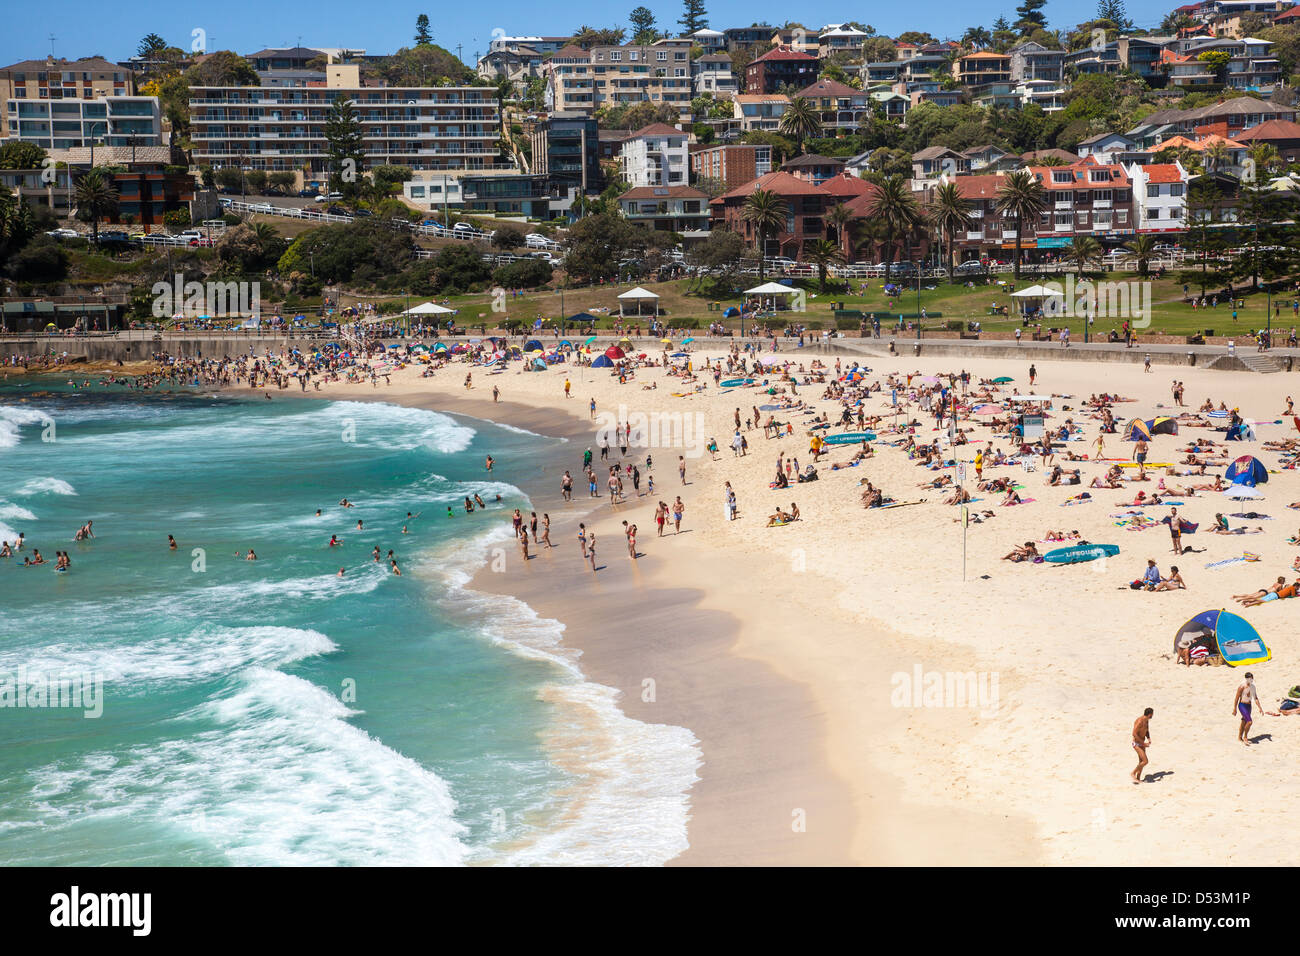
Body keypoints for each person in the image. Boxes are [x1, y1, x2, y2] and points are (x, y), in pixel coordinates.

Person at [1234, 673, 1263, 744]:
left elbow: (1255, 698)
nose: (1251, 680)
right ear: (1246, 679)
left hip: (1249, 706)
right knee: (1249, 722)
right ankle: (1245, 737)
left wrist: (1260, 708)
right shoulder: (1242, 687)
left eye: (1252, 678)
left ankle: (1239, 737)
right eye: (1249, 678)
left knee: (1244, 721)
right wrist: (1234, 709)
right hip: (1242, 705)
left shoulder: (1253, 687)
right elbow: (1237, 698)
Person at [1132, 708, 1153, 784]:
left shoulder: (1146, 720)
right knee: (1145, 761)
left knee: (1141, 762)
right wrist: (1143, 744)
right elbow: (1134, 733)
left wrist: (1149, 738)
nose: (1152, 716)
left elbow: (1147, 730)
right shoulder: (1140, 721)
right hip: (1137, 744)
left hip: (1142, 743)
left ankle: (1138, 779)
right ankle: (1133, 773)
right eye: (1152, 714)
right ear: (1150, 714)